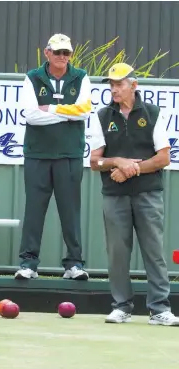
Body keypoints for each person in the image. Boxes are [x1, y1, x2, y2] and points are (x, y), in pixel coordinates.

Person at [90, 63, 179, 326]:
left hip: (148, 193)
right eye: (112, 85)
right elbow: (95, 161)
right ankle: (121, 306)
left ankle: (160, 308)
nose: (115, 89)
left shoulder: (152, 113)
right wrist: (117, 161)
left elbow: (163, 157)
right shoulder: (102, 115)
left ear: (134, 85)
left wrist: (132, 169)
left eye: (120, 84)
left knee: (153, 250)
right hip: (114, 195)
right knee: (117, 251)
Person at [15, 34, 92, 281]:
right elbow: (29, 115)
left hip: (70, 154)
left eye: (66, 53)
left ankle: (74, 264)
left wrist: (49, 108)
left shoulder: (81, 77)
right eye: (57, 52)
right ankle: (28, 263)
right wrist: (66, 113)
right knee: (34, 210)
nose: (61, 57)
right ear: (46, 52)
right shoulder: (32, 77)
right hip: (37, 154)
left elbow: (83, 113)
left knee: (70, 211)